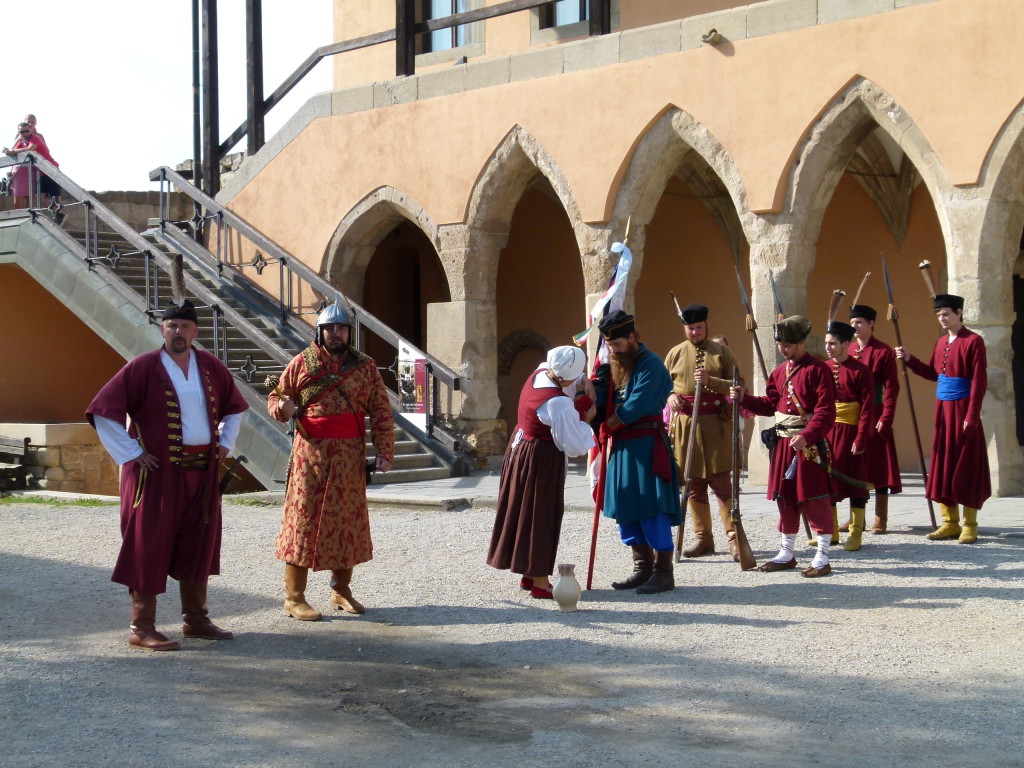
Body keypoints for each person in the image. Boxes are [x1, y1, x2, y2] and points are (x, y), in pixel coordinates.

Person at [87, 300, 249, 651]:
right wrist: (132, 454)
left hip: (201, 475)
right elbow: (103, 411)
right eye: (172, 325)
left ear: (195, 332)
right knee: (149, 544)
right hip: (156, 477)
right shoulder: (142, 367)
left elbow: (235, 408)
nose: (178, 332)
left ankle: (197, 619)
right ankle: (141, 626)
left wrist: (225, 445)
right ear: (162, 330)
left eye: (185, 326)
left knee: (199, 543)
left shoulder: (210, 366)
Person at [269, 299, 394, 620]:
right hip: (309, 455)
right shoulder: (301, 364)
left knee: (346, 522)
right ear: (320, 331)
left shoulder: (365, 367)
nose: (336, 334)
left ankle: (341, 590)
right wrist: (281, 409)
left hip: (350, 457)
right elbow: (277, 397)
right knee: (303, 519)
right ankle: (293, 597)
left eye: (341, 329)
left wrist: (384, 450)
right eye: (330, 329)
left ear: (349, 332)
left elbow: (381, 410)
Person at [731, 316, 837, 577]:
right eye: (780, 344)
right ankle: (787, 553)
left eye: (788, 345)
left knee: (815, 499)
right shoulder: (780, 373)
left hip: (808, 447)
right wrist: (745, 398)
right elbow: (769, 404)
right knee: (785, 499)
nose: (783, 349)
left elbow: (825, 411)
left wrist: (809, 435)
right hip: (783, 446)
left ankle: (822, 556)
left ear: (801, 343)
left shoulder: (818, 369)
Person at [487, 346, 597, 598]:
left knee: (525, 511)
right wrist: (587, 418)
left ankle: (528, 572)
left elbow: (565, 385)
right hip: (541, 457)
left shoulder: (540, 373)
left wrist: (583, 379)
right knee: (541, 514)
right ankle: (539, 580)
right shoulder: (557, 402)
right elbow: (573, 442)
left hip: (521, 448)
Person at [598, 310, 681, 594]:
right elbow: (608, 397)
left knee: (651, 505)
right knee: (627, 506)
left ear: (633, 337)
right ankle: (641, 567)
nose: (614, 350)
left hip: (646, 444)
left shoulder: (652, 365)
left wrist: (609, 424)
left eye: (618, 344)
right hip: (623, 446)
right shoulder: (616, 363)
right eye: (610, 346)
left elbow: (638, 403)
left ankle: (663, 571)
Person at [895, 294, 990, 543]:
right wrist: (909, 359)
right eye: (939, 314)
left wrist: (972, 415)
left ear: (959, 312)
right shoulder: (940, 343)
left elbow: (979, 382)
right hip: (943, 412)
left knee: (966, 465)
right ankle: (949, 523)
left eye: (946, 313)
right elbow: (933, 373)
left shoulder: (974, 341)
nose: (942, 318)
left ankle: (970, 524)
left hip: (963, 410)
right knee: (944, 465)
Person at [664, 304, 744, 560]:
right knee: (693, 486)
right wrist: (670, 396)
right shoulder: (675, 354)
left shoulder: (722, 352)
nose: (695, 332)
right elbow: (663, 386)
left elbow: (739, 385)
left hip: (716, 426)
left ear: (706, 326)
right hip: (686, 427)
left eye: (699, 327)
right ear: (684, 328)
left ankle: (734, 539)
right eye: (691, 328)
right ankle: (703, 540)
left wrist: (713, 382)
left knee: (722, 485)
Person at [848, 304, 901, 533]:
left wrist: (887, 417)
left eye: (859, 322)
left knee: (879, 465)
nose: (855, 326)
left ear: (871, 324)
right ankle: (854, 518)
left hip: (877, 412)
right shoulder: (848, 350)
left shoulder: (883, 351)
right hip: (853, 413)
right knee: (855, 465)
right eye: (852, 323)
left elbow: (891, 387)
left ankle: (881, 517)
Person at [821, 321, 873, 552]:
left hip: (850, 431)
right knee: (826, 480)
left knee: (855, 483)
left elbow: (867, 408)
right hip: (826, 431)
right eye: (826, 344)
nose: (829, 348)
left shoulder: (860, 371)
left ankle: (855, 532)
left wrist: (861, 438)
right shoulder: (822, 368)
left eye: (833, 343)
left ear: (845, 344)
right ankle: (830, 532)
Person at [3, 121, 62, 218]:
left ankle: (60, 214)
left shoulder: (35, 138)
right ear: (19, 133)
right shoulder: (23, 141)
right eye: (22, 132)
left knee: (56, 196)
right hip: (41, 172)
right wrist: (10, 150)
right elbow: (13, 151)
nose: (25, 134)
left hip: (50, 169)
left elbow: (31, 148)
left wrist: (13, 151)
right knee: (39, 197)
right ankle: (58, 214)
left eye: (27, 131)